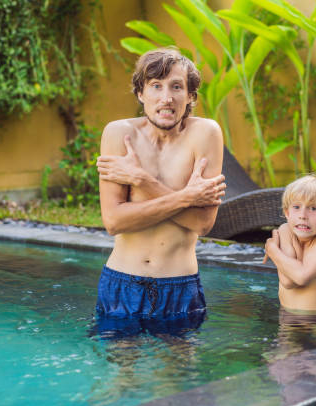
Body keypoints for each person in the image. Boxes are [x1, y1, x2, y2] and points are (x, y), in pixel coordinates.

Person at [94, 48, 226, 327]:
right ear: (141, 93)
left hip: (180, 286)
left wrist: (142, 181)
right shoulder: (119, 134)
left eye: (176, 87)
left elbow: (202, 223)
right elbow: (115, 221)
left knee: (177, 373)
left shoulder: (205, 134)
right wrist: (187, 197)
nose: (166, 98)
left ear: (190, 96)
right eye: (156, 86)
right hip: (121, 281)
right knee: (122, 372)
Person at [263, 174, 316, 315]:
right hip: (287, 316)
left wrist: (272, 250)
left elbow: (301, 277)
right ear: (287, 213)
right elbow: (287, 281)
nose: (303, 215)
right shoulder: (284, 231)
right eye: (296, 207)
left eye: (313, 208)